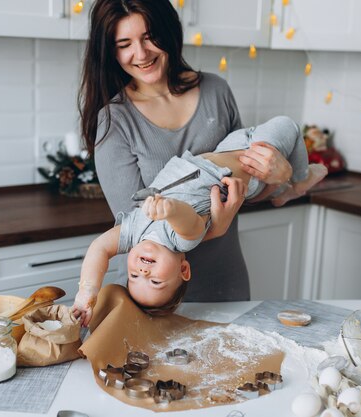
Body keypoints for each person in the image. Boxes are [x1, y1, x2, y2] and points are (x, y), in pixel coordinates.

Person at [78, 0, 294, 306]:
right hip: (154, 297)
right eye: (124, 44)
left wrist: (280, 177)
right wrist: (214, 229)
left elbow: (247, 186)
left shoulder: (216, 91)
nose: (140, 54)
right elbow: (142, 230)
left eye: (149, 36)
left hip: (226, 281)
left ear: (169, 31)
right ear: (110, 52)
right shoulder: (115, 122)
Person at [72, 116, 328, 325]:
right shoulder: (181, 242)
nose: (143, 272)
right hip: (251, 169)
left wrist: (87, 292)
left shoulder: (132, 234)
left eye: (134, 276)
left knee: (271, 138)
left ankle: (281, 192)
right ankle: (300, 181)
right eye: (155, 281)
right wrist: (168, 210)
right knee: (288, 125)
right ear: (183, 270)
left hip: (225, 150)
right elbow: (189, 222)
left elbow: (100, 248)